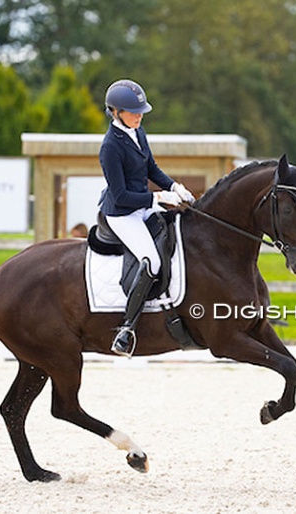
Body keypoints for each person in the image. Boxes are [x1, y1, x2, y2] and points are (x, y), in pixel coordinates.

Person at [98, 79, 195, 357]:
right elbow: (120, 196)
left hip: (143, 205)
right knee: (151, 260)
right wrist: (158, 198)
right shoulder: (110, 147)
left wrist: (173, 186)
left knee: (179, 232)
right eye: (133, 111)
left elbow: (151, 168)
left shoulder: (138, 133)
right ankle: (126, 330)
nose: (139, 115)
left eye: (141, 110)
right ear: (116, 112)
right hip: (122, 213)